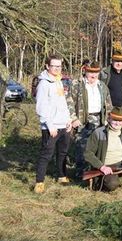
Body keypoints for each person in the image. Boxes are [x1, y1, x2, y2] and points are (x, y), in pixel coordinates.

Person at [34, 55, 74, 193]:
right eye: (54, 66)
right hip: (51, 127)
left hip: (64, 125)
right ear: (47, 66)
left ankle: (62, 176)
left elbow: (63, 104)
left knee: (62, 152)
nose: (57, 68)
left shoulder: (59, 81)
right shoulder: (44, 83)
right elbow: (40, 107)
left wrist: (68, 120)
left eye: (59, 66)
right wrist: (50, 125)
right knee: (46, 154)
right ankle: (39, 182)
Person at [70, 61, 113, 178]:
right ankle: (80, 173)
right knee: (81, 146)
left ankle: (96, 171)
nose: (93, 76)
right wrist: (73, 118)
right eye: (90, 73)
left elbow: (108, 105)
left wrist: (108, 120)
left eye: (96, 73)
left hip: (100, 119)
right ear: (85, 71)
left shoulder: (102, 86)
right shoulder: (77, 84)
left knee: (98, 146)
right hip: (83, 119)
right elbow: (69, 102)